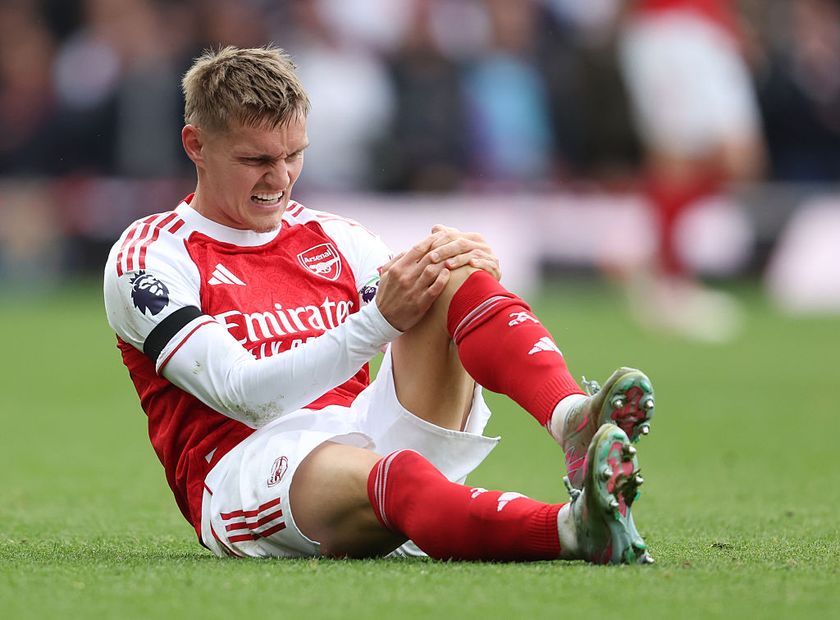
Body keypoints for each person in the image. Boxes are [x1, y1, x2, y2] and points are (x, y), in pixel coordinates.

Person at [103, 45, 656, 564]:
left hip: (359, 428)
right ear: (196, 144)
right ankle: (575, 528)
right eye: (256, 160)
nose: (280, 178)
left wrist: (474, 277)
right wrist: (376, 323)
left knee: (447, 269)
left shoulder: (334, 237)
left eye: (294, 155)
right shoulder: (151, 257)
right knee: (401, 474)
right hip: (246, 468)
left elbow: (419, 311)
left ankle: (572, 421)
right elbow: (241, 394)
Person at [616, 0, 765, 342]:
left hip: (707, 28)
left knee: (738, 159)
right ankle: (671, 283)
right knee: (678, 158)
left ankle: (656, 267)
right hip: (670, 29)